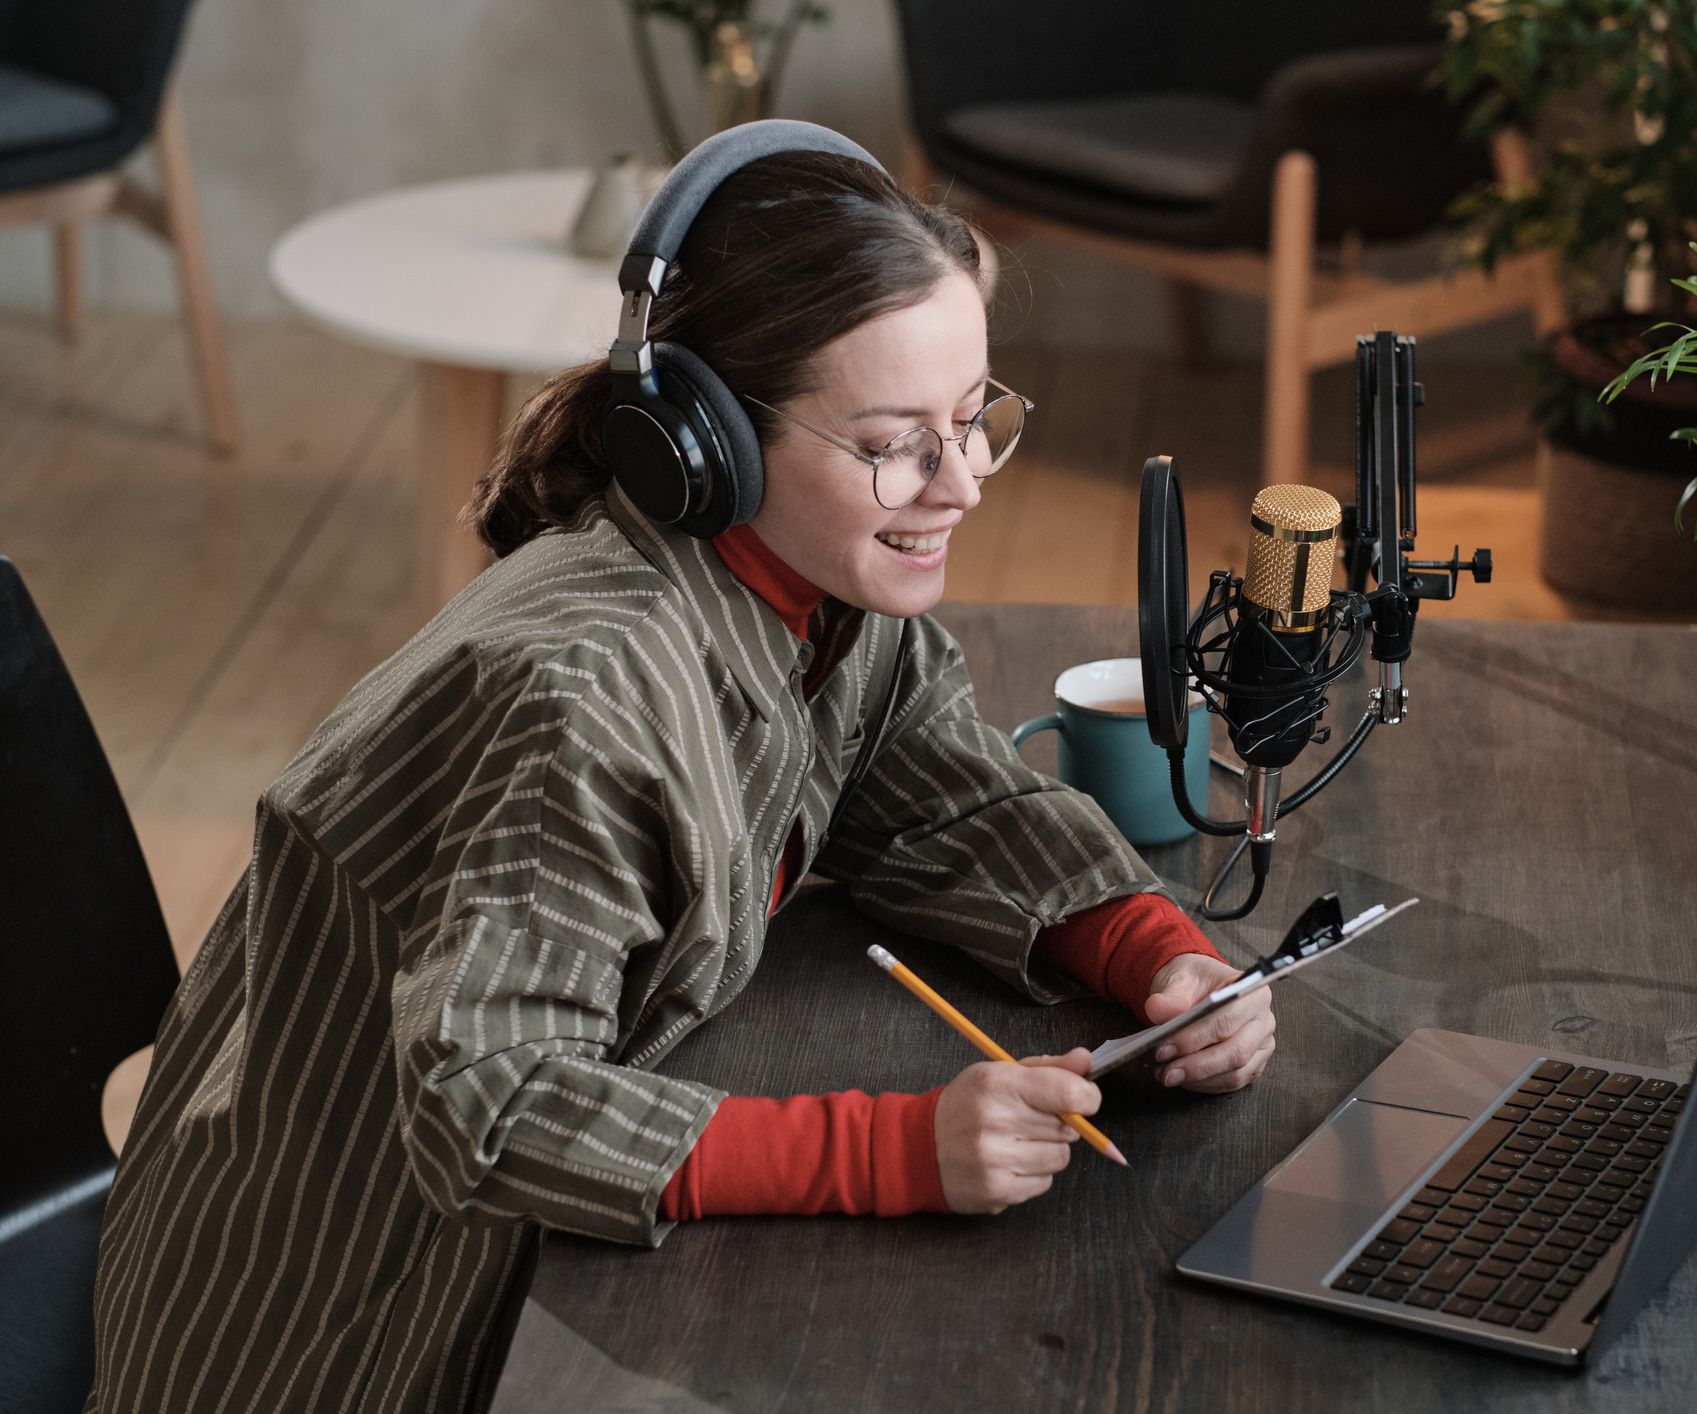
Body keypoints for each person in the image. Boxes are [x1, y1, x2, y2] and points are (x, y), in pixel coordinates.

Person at [85, 128, 1276, 1413]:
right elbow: (490, 1102)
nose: (964, 482)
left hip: (471, 1241)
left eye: (975, 417)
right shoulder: (585, 692)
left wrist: (1161, 958)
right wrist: (902, 1150)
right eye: (898, 443)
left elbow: (938, 789)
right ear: (711, 439)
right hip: (333, 1303)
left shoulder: (825, 590)